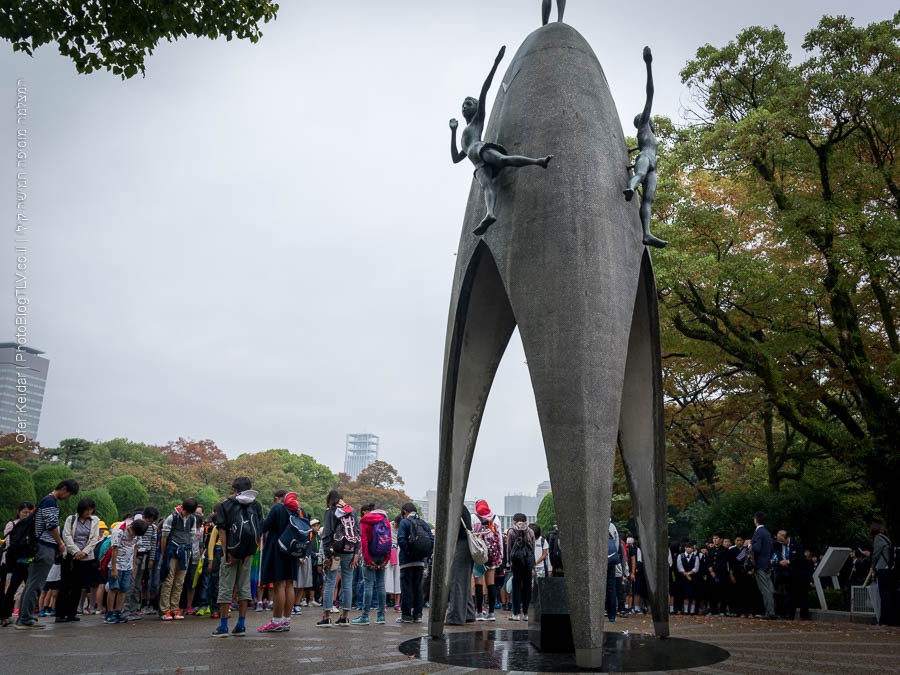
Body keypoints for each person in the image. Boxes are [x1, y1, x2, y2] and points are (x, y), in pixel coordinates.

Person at [449, 46, 552, 235]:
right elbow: (455, 158)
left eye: (469, 103)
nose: (465, 106)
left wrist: (496, 64)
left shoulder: (477, 120)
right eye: (463, 104)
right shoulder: (464, 131)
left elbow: (484, 90)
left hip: (480, 149)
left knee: (504, 160)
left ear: (477, 107)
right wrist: (453, 131)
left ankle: (538, 161)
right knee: (488, 186)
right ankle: (489, 214)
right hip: (476, 164)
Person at [16, 479, 79, 630]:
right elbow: (51, 525)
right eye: (69, 493)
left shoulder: (45, 500)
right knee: (36, 584)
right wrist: (60, 542)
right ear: (63, 489)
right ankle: (26, 619)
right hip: (44, 547)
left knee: (31, 583)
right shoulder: (51, 502)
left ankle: (23, 617)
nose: (68, 497)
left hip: (38, 546)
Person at [623, 46, 667, 248]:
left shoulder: (649, 135)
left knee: (648, 200)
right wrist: (649, 65)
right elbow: (650, 95)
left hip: (654, 166)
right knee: (638, 177)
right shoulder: (644, 126)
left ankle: (647, 233)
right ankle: (630, 188)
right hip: (645, 158)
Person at [212, 477, 262, 637]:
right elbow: (258, 530)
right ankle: (241, 624)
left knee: (226, 587)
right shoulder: (256, 505)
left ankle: (223, 626)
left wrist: (227, 553)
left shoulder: (225, 505)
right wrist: (251, 551)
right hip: (248, 553)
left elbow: (222, 530)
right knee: (244, 588)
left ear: (234, 489)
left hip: (231, 553)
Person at [258, 491, 300, 633]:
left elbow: (265, 526)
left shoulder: (277, 508)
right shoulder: (297, 510)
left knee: (279, 585)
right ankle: (286, 621)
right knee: (289, 584)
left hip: (278, 550)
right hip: (292, 550)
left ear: (278, 498)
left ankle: (276, 621)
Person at [317, 490, 360, 627]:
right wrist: (356, 553)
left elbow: (327, 534)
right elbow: (357, 533)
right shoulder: (351, 512)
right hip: (349, 552)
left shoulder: (330, 512)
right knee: (347, 582)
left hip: (335, 553)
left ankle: (326, 616)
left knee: (330, 581)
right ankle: (344, 617)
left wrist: (328, 555)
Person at [56, 497, 100, 623]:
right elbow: (67, 536)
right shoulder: (71, 519)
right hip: (70, 557)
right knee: (65, 585)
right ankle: (60, 613)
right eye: (86, 509)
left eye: (91, 509)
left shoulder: (95, 520)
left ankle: (71, 613)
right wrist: (76, 551)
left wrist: (84, 552)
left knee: (78, 586)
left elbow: (94, 539)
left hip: (86, 558)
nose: (89, 512)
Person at [158, 498, 199, 621]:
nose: (188, 514)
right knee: (168, 581)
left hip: (185, 552)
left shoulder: (192, 519)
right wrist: (164, 554)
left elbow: (192, 536)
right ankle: (165, 609)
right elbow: (164, 537)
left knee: (179, 582)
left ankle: (175, 607)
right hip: (171, 552)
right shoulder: (172, 518)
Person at [353, 503, 391, 625]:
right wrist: (387, 559)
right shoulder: (385, 520)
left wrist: (368, 560)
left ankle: (365, 616)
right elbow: (389, 540)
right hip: (383, 556)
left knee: (368, 585)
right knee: (380, 585)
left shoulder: (364, 521)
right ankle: (381, 616)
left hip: (370, 554)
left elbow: (363, 542)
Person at [106, 518, 149, 624]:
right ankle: (110, 613)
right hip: (116, 565)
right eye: (133, 533)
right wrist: (114, 569)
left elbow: (135, 549)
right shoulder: (119, 531)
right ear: (131, 527)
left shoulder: (137, 535)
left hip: (128, 566)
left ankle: (118, 612)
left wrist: (133, 565)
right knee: (114, 589)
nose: (133, 536)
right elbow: (114, 550)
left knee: (124, 589)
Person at [397, 502, 433, 624]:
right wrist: (423, 554)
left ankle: (406, 615)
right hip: (420, 561)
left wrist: (408, 551)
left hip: (407, 561)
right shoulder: (423, 523)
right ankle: (417, 614)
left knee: (406, 587)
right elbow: (431, 540)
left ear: (404, 512)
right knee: (418, 587)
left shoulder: (405, 522)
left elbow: (401, 539)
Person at [0, 502, 34, 627]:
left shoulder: (31, 525)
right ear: (19, 512)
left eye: (29, 512)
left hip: (27, 561)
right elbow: (8, 542)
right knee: (10, 588)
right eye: (24, 512)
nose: (26, 514)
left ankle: (23, 614)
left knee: (27, 587)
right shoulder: (12, 524)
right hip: (11, 561)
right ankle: (5, 614)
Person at [125, 506, 158, 617]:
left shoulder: (153, 528)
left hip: (145, 557)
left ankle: (133, 609)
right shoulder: (136, 525)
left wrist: (151, 559)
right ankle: (126, 610)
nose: (149, 523)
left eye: (152, 520)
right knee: (131, 583)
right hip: (134, 557)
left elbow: (153, 544)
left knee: (138, 585)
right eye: (149, 520)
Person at [445, 505, 476, 625]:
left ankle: (455, 617)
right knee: (464, 582)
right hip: (466, 546)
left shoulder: (455, 507)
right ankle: (468, 613)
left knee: (457, 582)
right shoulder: (462, 508)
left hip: (460, 545)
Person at [474, 500, 503, 621]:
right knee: (491, 583)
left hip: (479, 555)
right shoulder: (495, 518)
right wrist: (500, 556)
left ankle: (480, 612)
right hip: (493, 555)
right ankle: (491, 613)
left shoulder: (473, 517)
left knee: (478, 583)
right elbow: (500, 538)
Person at [775, 529, 811, 620]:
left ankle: (804, 616)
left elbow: (801, 558)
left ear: (786, 537)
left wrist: (788, 561)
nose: (780, 542)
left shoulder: (796, 544)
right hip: (787, 574)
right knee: (790, 595)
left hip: (800, 573)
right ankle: (789, 615)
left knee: (803, 595)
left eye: (781, 540)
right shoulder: (778, 545)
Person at [506, 513, 536, 621]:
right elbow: (532, 549)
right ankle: (526, 614)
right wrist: (532, 565)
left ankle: (516, 614)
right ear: (525, 521)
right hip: (527, 564)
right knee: (527, 588)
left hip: (516, 564)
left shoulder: (512, 531)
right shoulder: (531, 531)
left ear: (515, 521)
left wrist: (509, 563)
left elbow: (509, 549)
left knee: (516, 587)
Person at [751, 511, 776, 620]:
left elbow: (757, 548)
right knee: (769, 588)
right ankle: (771, 611)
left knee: (764, 589)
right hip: (767, 563)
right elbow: (770, 548)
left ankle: (770, 612)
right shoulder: (767, 532)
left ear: (756, 520)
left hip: (759, 564)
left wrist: (750, 546)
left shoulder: (758, 532)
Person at [871, 522, 895, 626]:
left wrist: (873, 567)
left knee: (883, 595)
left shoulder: (878, 538)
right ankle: (889, 618)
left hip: (882, 568)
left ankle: (883, 619)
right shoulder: (886, 538)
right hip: (888, 568)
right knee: (888, 594)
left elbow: (876, 554)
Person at [677, 541, 700, 615]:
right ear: (685, 548)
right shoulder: (680, 556)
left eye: (691, 548)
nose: (690, 549)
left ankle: (692, 610)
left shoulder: (696, 557)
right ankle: (686, 610)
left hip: (693, 578)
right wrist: (686, 575)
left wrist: (689, 573)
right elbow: (679, 567)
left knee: (693, 595)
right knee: (685, 594)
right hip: (683, 578)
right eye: (688, 548)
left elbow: (696, 568)